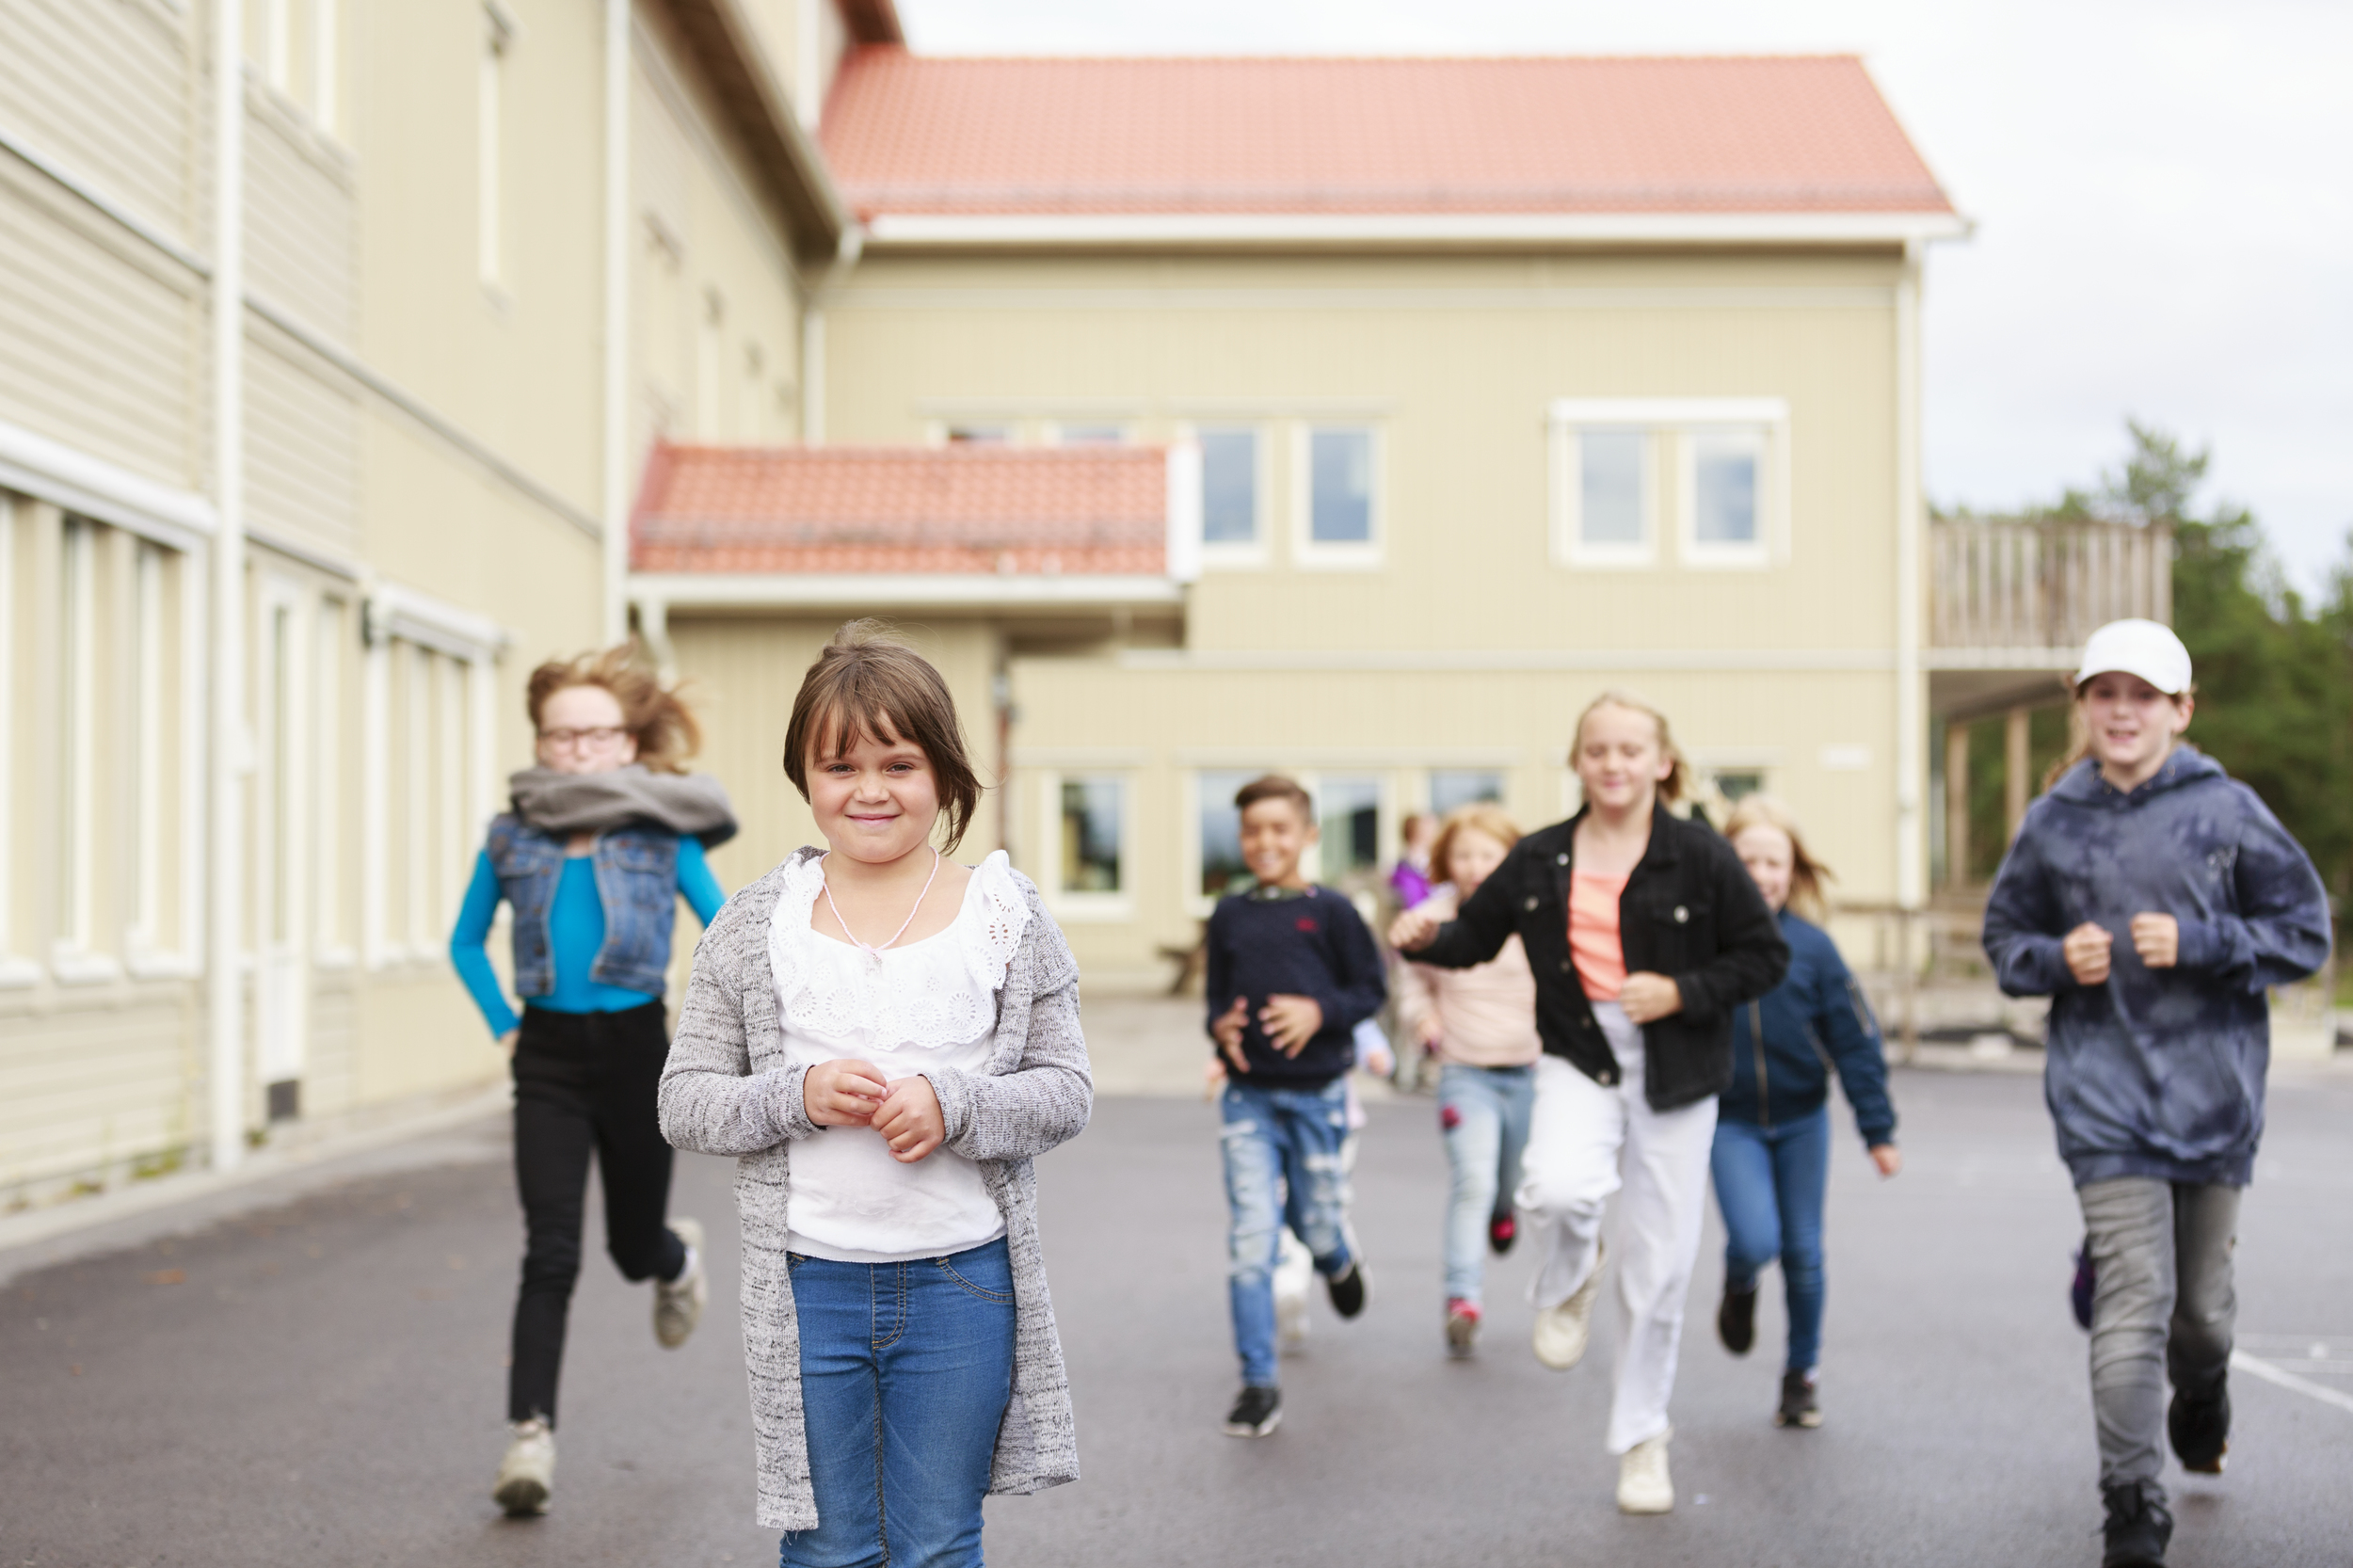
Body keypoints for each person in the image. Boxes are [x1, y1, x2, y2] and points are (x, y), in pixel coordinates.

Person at [658, 620, 1090, 1563]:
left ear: (942, 773)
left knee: (936, 1542)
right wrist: (797, 1093)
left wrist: (958, 1105)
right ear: (804, 777)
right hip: (808, 1283)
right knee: (829, 1547)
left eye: (897, 763)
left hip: (962, 1282)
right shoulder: (753, 925)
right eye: (839, 765)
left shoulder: (1003, 915)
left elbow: (1065, 1088)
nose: (868, 789)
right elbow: (683, 1099)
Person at [1981, 619, 2329, 1568]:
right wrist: (2055, 958)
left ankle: (2204, 1389)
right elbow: (2005, 944)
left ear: (2179, 710)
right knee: (2135, 1297)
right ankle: (2131, 1502)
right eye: (2105, 694)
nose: (2122, 711)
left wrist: (2208, 941)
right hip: (2102, 1103)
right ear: (2082, 706)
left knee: (2200, 1315)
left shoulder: (2227, 811)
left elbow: (2304, 934)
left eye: (2144, 696)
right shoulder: (2053, 819)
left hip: (2213, 1103)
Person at [1391, 692, 1786, 1514]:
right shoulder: (1539, 859)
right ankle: (1572, 1273)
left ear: (1662, 762)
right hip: (1579, 1048)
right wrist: (1425, 940)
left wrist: (1681, 991)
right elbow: (1473, 939)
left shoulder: (1703, 856)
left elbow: (1763, 956)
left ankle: (1643, 1439)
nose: (1613, 764)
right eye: (1597, 750)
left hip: (1679, 1060)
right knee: (1560, 1188)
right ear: (1577, 761)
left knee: (1663, 1267)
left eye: (1630, 750)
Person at [447, 645, 735, 1517]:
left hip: (638, 1051)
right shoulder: (511, 836)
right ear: (541, 743)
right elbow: (464, 940)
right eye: (561, 736)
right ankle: (529, 1435)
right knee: (552, 1249)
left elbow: (726, 935)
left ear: (629, 742)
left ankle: (674, 1259)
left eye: (596, 735)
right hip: (546, 1058)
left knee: (627, 1247)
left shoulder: (662, 832)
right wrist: (505, 1026)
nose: (578, 750)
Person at [1709, 794, 1901, 1431]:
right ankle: (1739, 1284)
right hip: (1729, 1119)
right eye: (1749, 859)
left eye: (1776, 862)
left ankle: (1801, 1375)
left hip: (1801, 1120)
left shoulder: (1814, 949)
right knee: (1756, 1239)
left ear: (1794, 871)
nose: (1763, 874)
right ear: (1725, 864)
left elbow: (1855, 1040)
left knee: (1805, 1252)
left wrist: (1878, 1129)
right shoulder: (1703, 943)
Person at [1206, 775, 1387, 1438]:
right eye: (1253, 831)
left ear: (1308, 836)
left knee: (1312, 1221)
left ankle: (1334, 1255)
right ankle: (1258, 1383)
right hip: (1248, 1100)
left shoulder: (1334, 913)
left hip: (1318, 1098)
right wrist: (1220, 1030)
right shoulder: (1230, 914)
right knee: (1252, 1239)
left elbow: (1371, 992)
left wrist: (1320, 1010)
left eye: (1280, 829)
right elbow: (1216, 1002)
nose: (1265, 842)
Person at [1394, 803, 1541, 1359]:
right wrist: (1422, 1021)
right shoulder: (1433, 916)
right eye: (1463, 854)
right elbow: (1410, 978)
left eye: (1488, 854)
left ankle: (1504, 1213)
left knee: (1508, 1184)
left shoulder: (1532, 914)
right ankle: (1463, 1299)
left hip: (1528, 1070)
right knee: (1472, 1180)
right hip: (1464, 1072)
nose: (1476, 865)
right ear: (1444, 861)